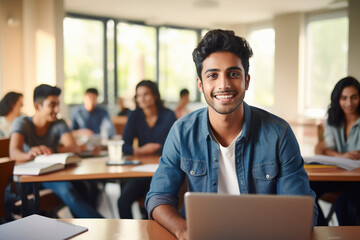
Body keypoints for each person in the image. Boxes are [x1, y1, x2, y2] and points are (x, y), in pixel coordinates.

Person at [145, 29, 318, 239]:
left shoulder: (278, 134)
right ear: (201, 84)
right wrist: (183, 230)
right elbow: (158, 198)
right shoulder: (182, 132)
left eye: (233, 74)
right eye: (213, 75)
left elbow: (301, 212)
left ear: (247, 80)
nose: (224, 84)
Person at [9, 84, 102, 218]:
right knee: (69, 190)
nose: (57, 109)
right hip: (29, 179)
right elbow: (14, 153)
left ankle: (90, 227)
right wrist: (29, 154)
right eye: (52, 105)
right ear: (37, 106)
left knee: (87, 187)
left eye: (57, 104)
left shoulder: (59, 123)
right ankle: (101, 224)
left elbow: (73, 147)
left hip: (53, 174)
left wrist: (51, 150)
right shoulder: (22, 123)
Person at [118, 80, 176, 219]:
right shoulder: (134, 115)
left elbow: (175, 146)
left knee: (152, 204)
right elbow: (124, 146)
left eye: (146, 94)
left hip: (164, 169)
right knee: (123, 202)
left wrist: (159, 150)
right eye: (138, 96)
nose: (141, 99)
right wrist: (140, 151)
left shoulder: (169, 115)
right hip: (141, 170)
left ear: (155, 95)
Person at [313, 76, 360, 225]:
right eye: (343, 98)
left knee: (345, 203)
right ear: (337, 99)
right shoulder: (333, 119)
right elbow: (322, 148)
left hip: (357, 180)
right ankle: (321, 228)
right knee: (305, 190)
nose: (349, 103)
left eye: (354, 97)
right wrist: (341, 155)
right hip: (337, 177)